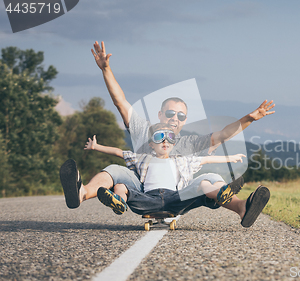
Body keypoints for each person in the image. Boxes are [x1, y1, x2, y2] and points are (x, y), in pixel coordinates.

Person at [59, 41, 275, 210]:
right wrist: (105, 69)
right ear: (160, 114)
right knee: (115, 170)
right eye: (171, 113)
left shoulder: (191, 143)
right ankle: (83, 193)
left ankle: (242, 208)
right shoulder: (144, 131)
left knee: (209, 180)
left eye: (181, 116)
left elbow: (222, 136)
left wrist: (250, 118)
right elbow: (121, 103)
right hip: (141, 193)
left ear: (185, 121)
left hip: (179, 194)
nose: (175, 118)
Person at [83, 123, 270, 228]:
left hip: (176, 199)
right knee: (122, 186)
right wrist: (96, 147)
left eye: (170, 138)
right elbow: (118, 152)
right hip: (146, 199)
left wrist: (231, 157)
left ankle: (222, 193)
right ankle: (119, 202)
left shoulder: (182, 160)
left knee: (204, 182)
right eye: (159, 138)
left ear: (174, 144)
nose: (165, 141)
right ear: (151, 144)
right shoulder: (141, 158)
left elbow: (206, 161)